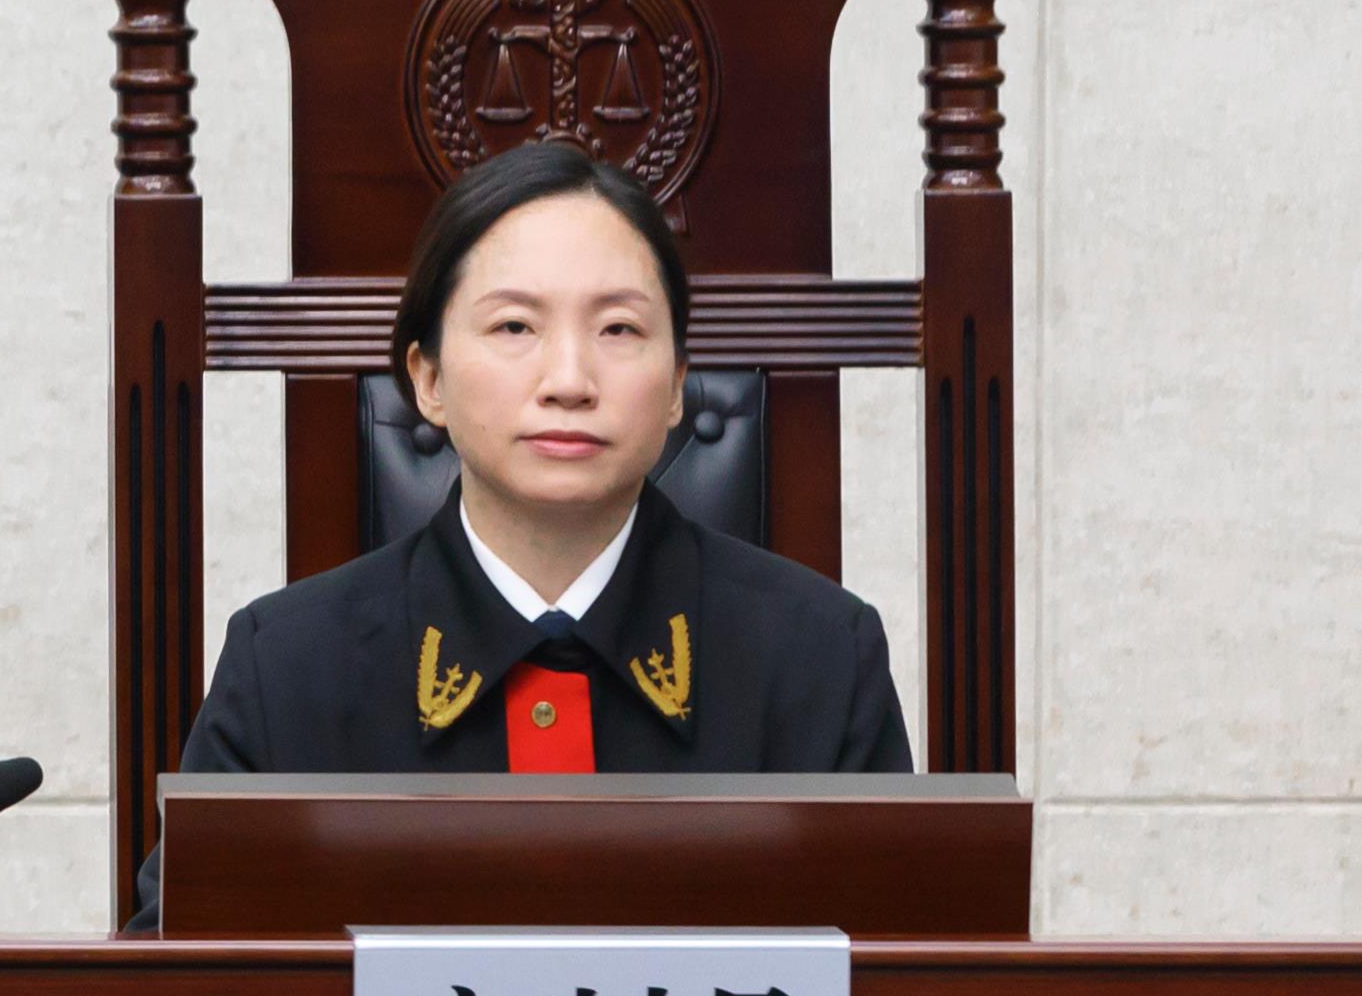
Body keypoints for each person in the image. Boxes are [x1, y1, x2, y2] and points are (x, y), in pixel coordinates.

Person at [181, 141, 914, 787]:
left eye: (618, 328)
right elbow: (188, 909)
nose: (569, 381)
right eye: (514, 326)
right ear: (428, 380)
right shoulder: (284, 670)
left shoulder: (822, 661)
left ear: (676, 386)